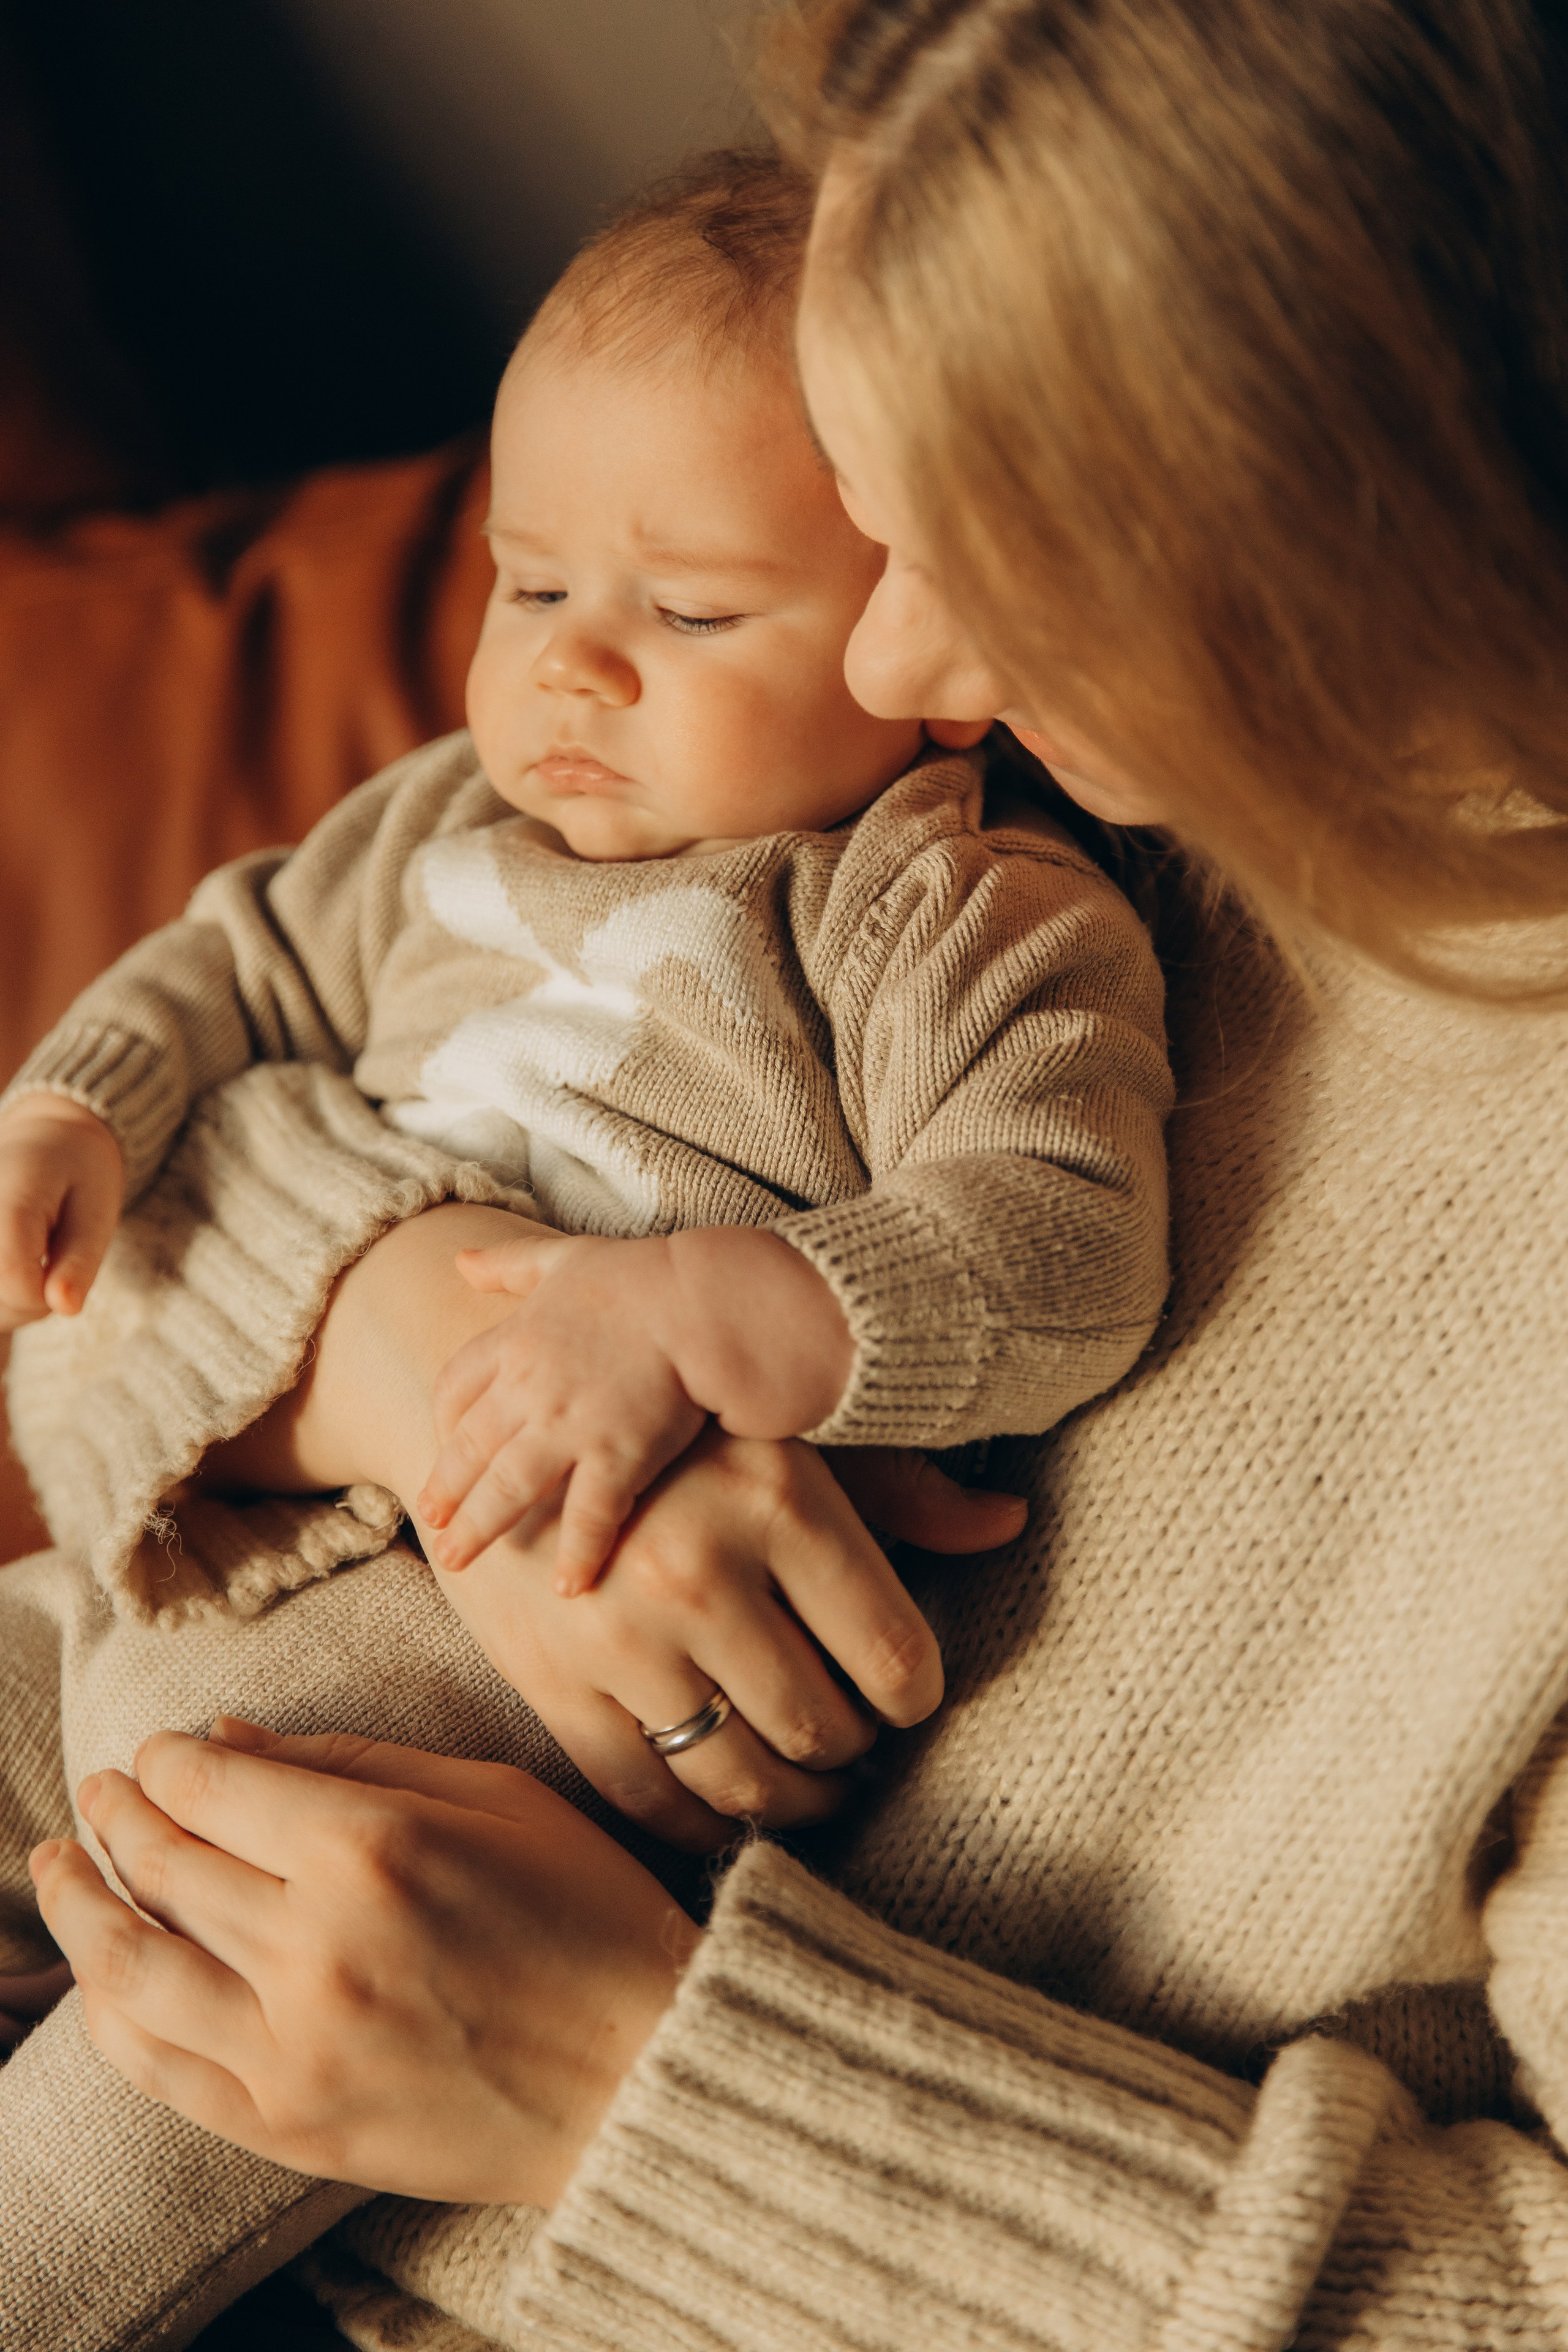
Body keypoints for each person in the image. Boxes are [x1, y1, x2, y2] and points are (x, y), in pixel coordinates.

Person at [21, 0, 1568, 2345]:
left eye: (997, 535)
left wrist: (607, 2080)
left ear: (1394, 492)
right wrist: (418, 1340)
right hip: (141, 1677)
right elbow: (81, 1340)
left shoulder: (960, 893)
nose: (908, 651)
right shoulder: (886, 778)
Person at [0, 148, 1166, 2346]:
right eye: (531, 587)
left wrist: (748, 1311)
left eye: (695, 614)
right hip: (167, 1559)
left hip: (452, 1730)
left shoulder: (944, 909)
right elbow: (229, 968)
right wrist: (76, 1104)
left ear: (944, 655)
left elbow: (1064, 1226)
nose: (573, 675)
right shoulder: (454, 817)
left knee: (126, 2124)